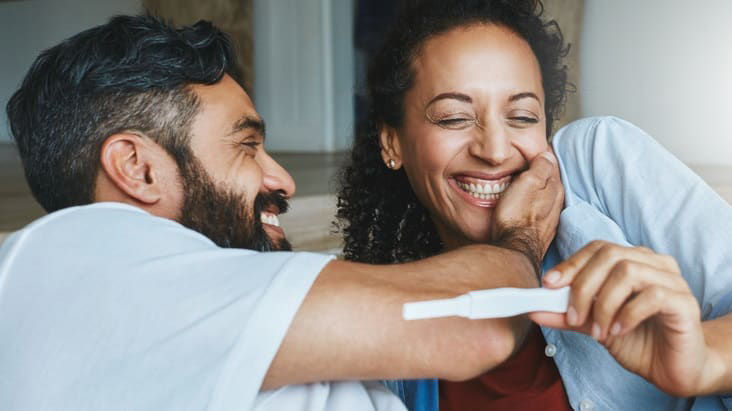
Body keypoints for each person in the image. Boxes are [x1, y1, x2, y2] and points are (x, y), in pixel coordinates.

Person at [0, 14, 566, 411]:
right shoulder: (81, 260)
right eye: (246, 146)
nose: (283, 178)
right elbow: (474, 327)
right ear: (137, 167)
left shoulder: (183, 291)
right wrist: (519, 238)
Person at [336, 0, 732, 410]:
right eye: (454, 118)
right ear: (392, 143)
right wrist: (517, 242)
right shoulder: (390, 330)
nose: (494, 150)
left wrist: (703, 359)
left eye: (522, 117)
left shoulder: (595, 163)